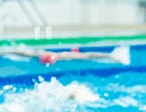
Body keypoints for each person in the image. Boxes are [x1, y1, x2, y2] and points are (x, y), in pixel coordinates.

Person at [0, 45, 131, 66]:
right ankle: (112, 55)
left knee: (86, 56)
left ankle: (112, 55)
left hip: (70, 55)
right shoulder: (38, 54)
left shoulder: (63, 55)